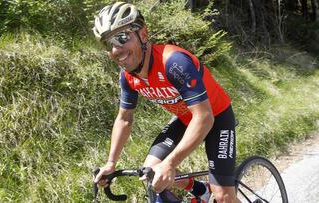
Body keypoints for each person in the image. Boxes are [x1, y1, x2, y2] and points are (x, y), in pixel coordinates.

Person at [93, 2, 240, 203]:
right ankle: (201, 189)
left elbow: (204, 117)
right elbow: (125, 118)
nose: (116, 49)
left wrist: (170, 163)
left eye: (122, 37)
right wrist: (110, 163)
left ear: (143, 34)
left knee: (223, 197)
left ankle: (216, 192)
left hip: (216, 117)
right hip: (185, 118)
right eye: (108, 43)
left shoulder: (174, 63)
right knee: (152, 172)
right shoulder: (127, 76)